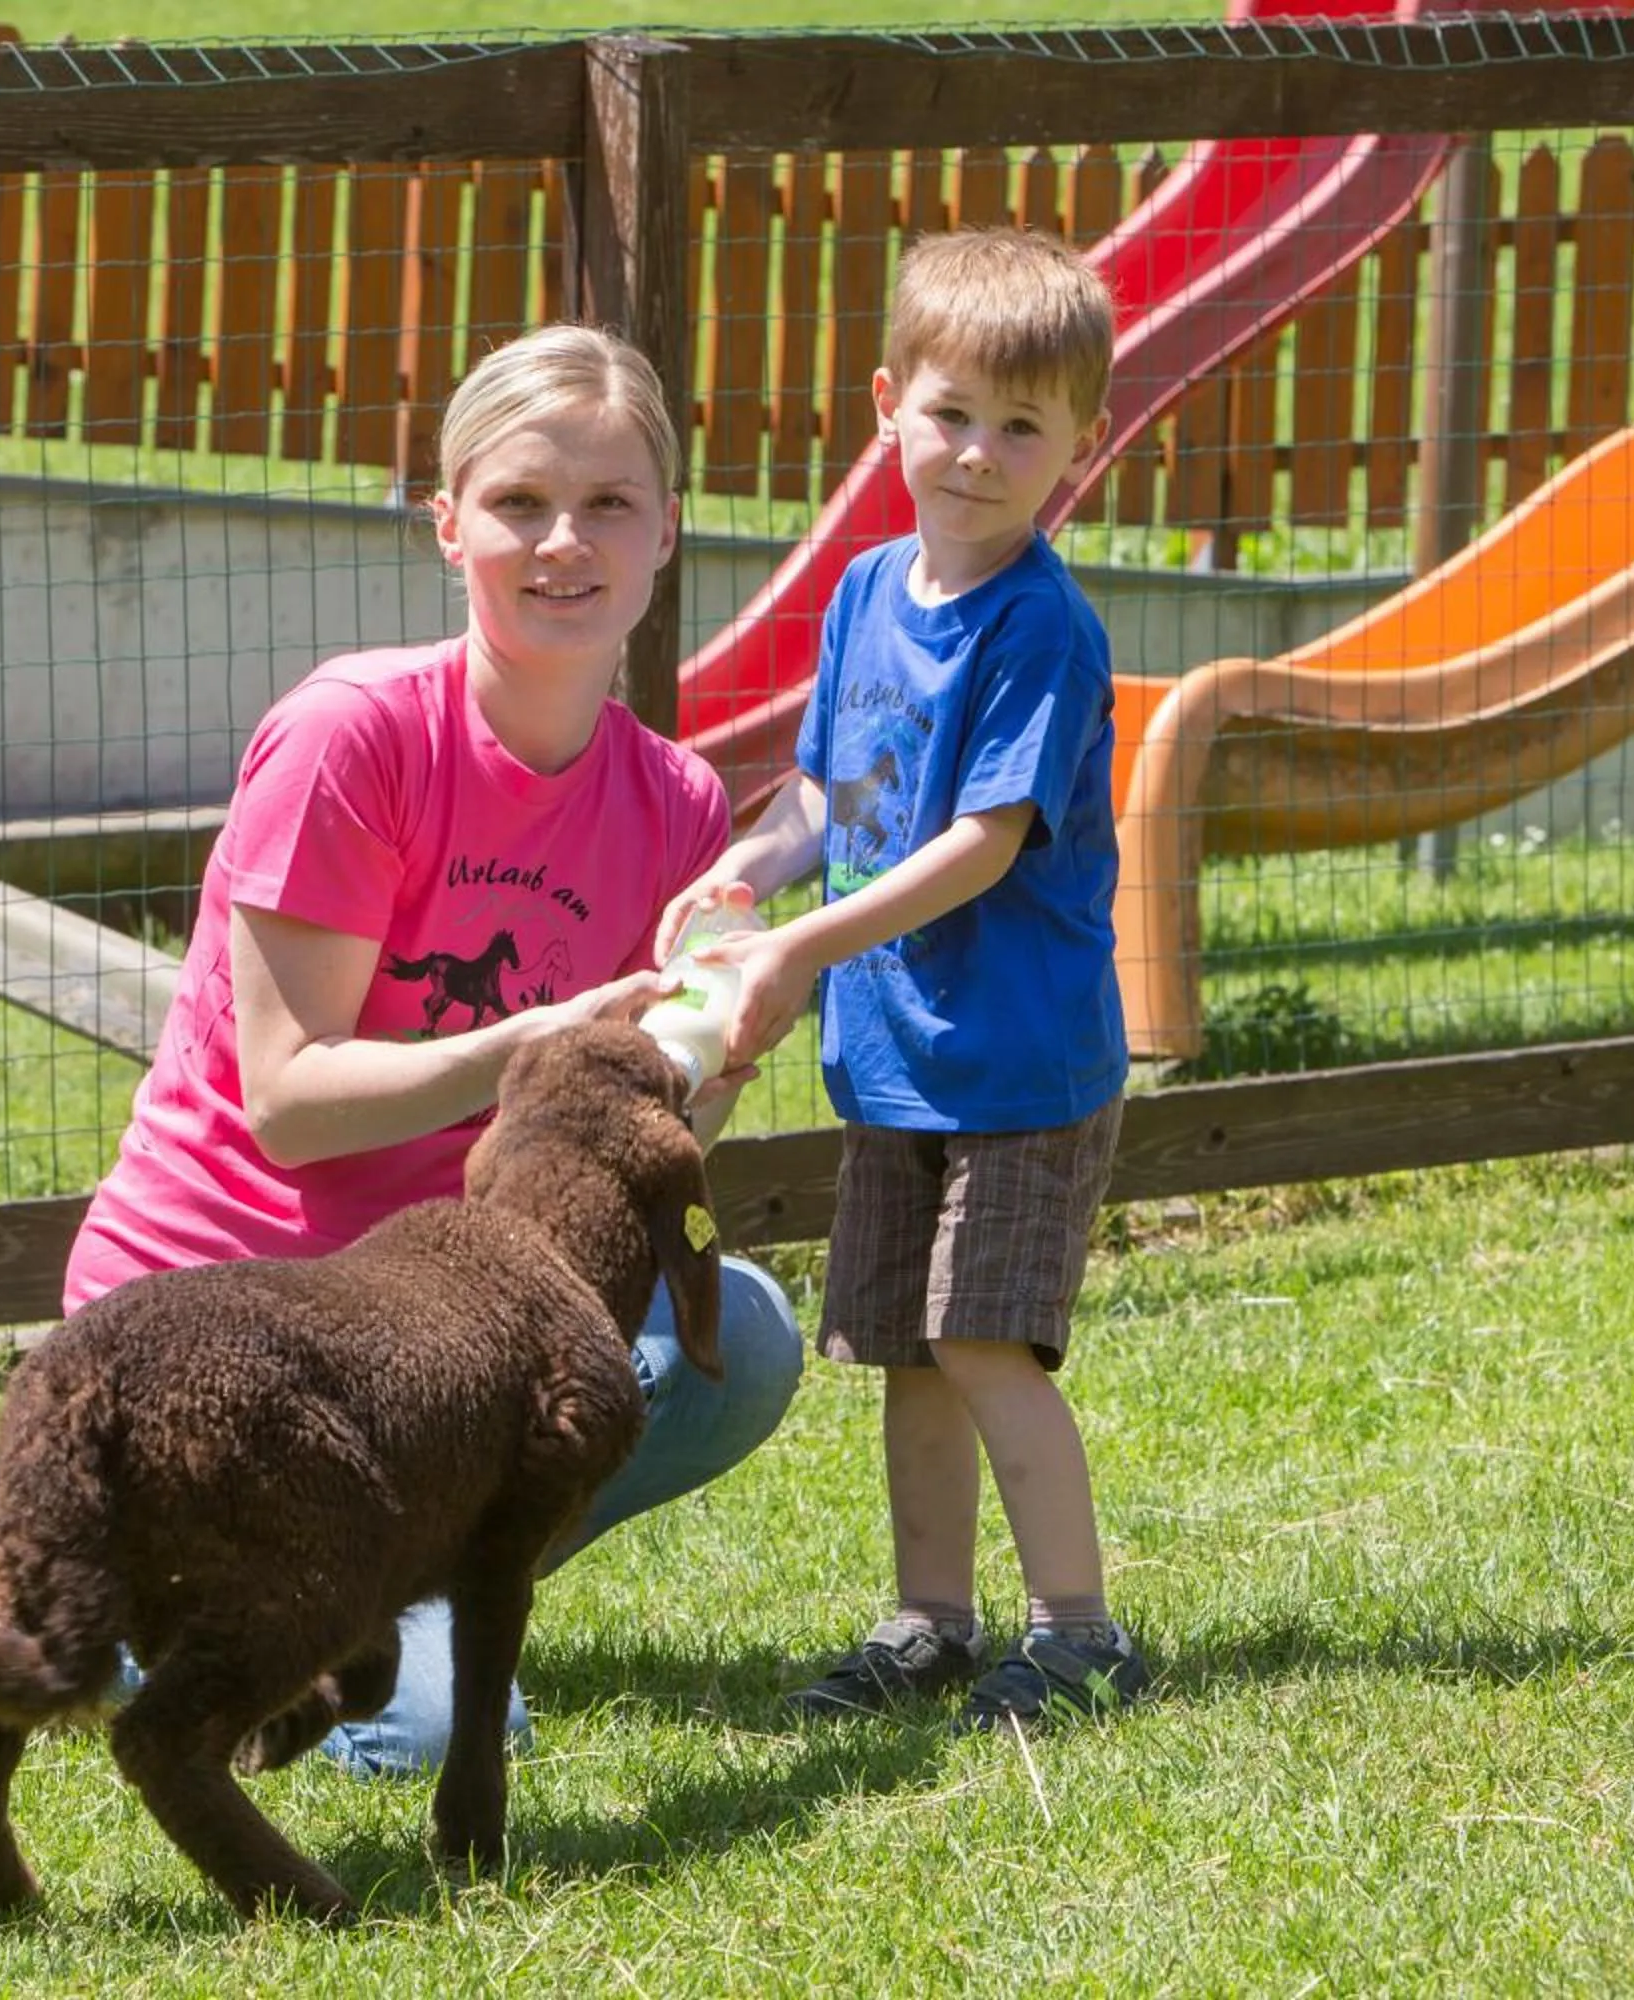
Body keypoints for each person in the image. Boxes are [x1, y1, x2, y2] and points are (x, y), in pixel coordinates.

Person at [64, 323, 806, 1776]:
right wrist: (534, 1039)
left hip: (433, 1348)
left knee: (741, 1344)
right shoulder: (356, 737)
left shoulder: (677, 806)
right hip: (224, 1335)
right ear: (447, 522)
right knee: (419, 1743)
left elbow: (610, 1169)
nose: (562, 542)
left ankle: (402, 1585)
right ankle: (222, 1600)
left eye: (608, 505)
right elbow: (287, 1106)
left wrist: (699, 1077)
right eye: (520, 501)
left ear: (668, 533)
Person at [657, 226, 1146, 1735]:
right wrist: (755, 870)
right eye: (952, 415)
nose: (980, 455)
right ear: (887, 404)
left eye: (1023, 428)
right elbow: (831, 792)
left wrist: (801, 949)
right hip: (898, 1059)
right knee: (908, 1353)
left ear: (1084, 446)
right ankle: (931, 1620)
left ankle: (1081, 1632)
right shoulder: (867, 588)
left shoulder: (1042, 631)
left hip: (1016, 1065)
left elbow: (986, 846)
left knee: (987, 1337)